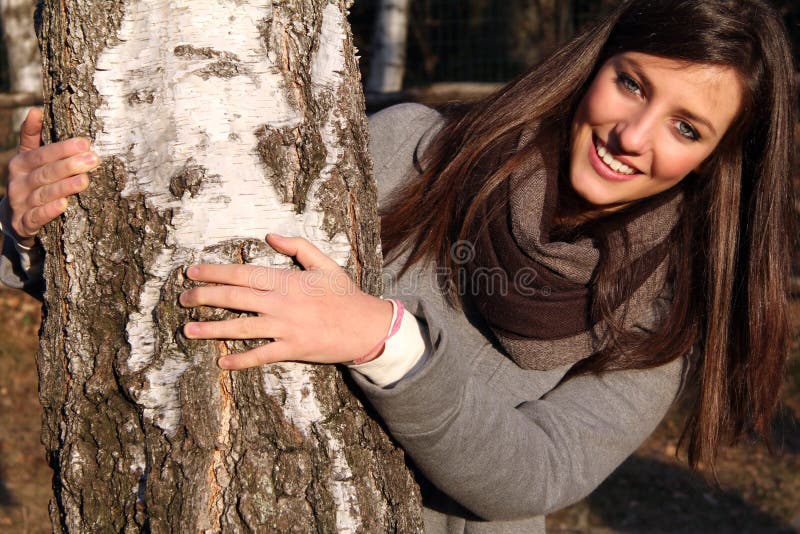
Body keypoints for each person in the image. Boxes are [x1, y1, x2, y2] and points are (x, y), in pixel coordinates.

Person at [0, 0, 795, 531]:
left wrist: (388, 343)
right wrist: (37, 231)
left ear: (716, 161)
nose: (635, 135)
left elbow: (535, 475)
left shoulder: (663, 319)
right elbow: (201, 264)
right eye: (631, 85)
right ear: (594, 67)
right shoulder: (418, 149)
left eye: (686, 128)